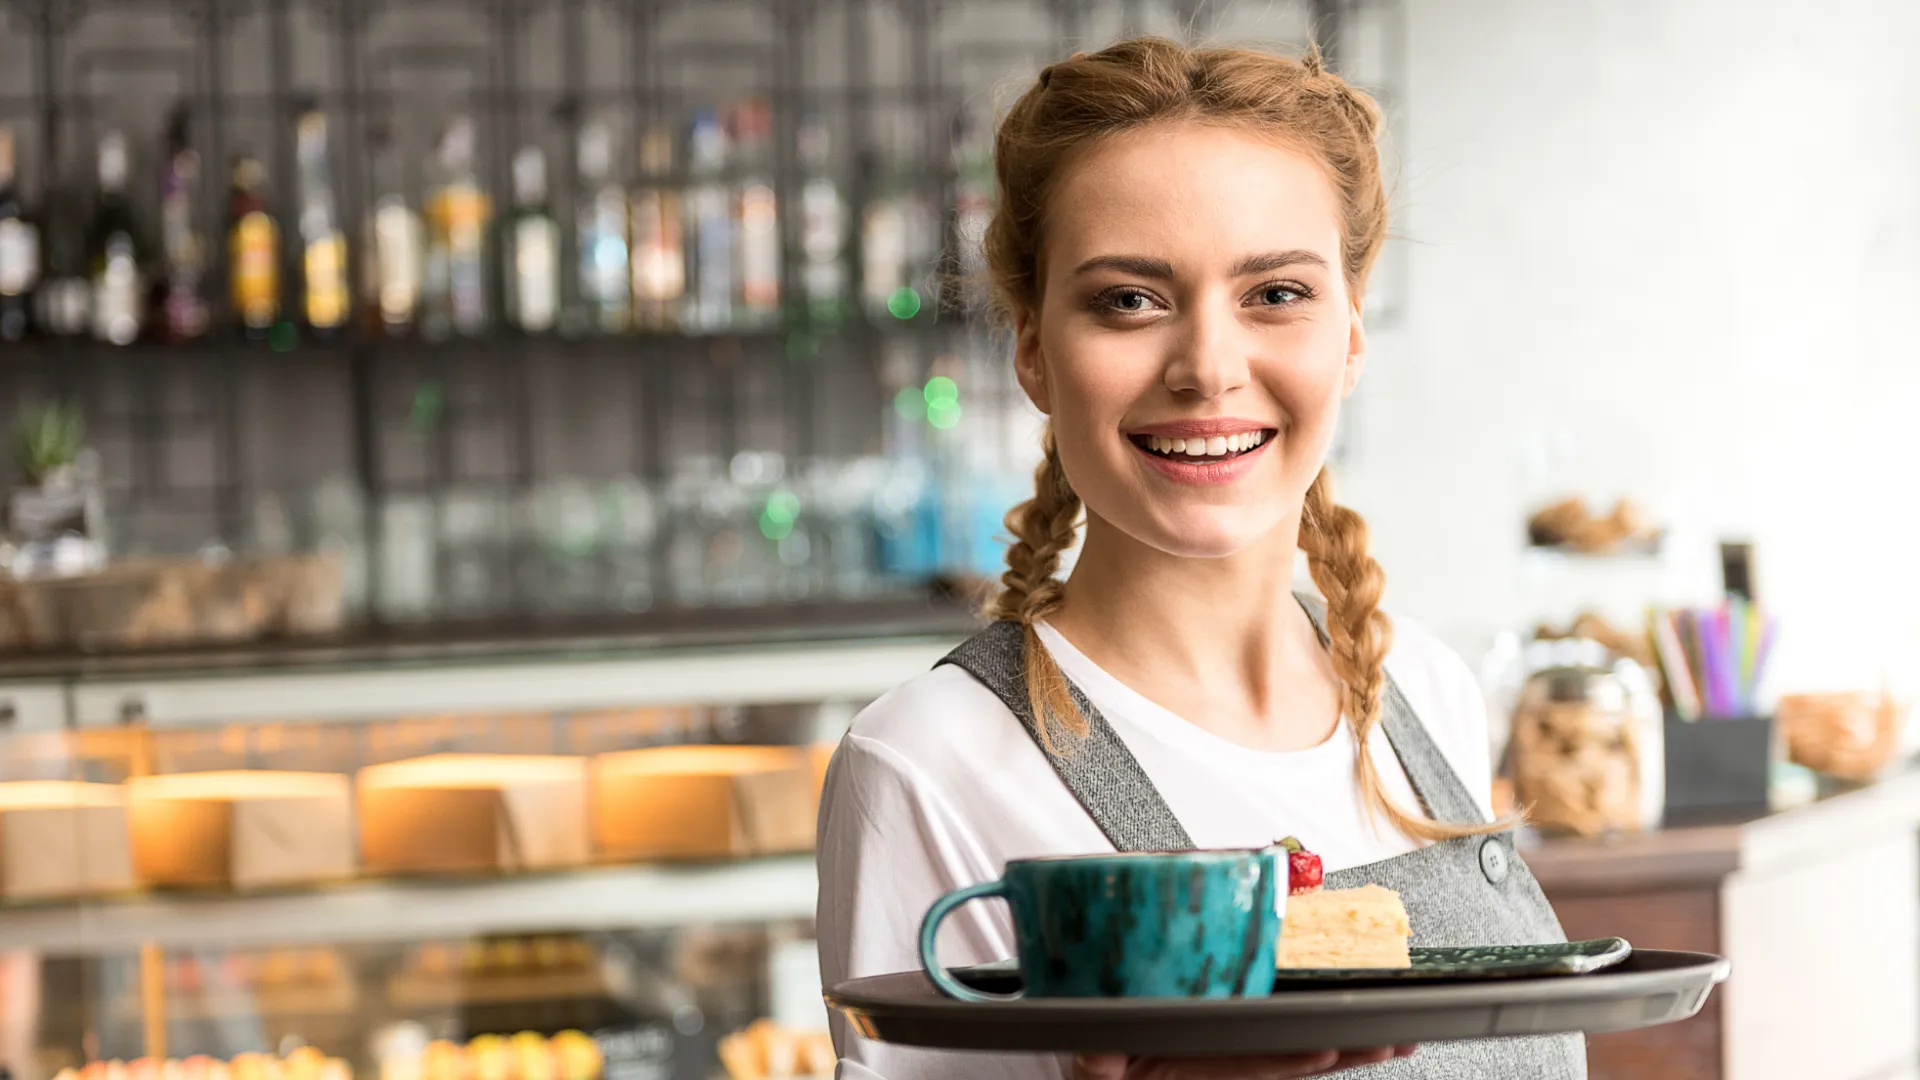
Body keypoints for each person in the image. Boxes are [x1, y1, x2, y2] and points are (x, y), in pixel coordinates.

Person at [816, 37, 1583, 1080]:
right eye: (1129, 300)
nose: (1209, 368)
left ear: (1350, 335)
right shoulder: (930, 765)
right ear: (1035, 350)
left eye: (1275, 295)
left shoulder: (1428, 696)